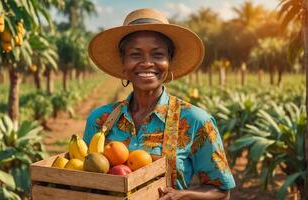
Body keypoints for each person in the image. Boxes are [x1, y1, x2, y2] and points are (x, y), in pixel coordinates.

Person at [83, 8, 235, 199]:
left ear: (169, 62)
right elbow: (84, 182)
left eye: (157, 54)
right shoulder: (99, 121)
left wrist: (183, 194)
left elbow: (221, 190)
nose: (147, 63)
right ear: (123, 63)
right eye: (136, 55)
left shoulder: (195, 120)